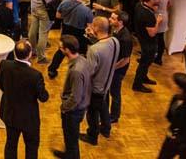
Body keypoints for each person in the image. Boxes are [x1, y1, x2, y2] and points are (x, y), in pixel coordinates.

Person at [0, 39, 49, 159]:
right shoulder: (35, 75)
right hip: (29, 118)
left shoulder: (4, 65)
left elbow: (0, 83)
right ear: (30, 54)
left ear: (15, 52)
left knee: (11, 144)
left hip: (10, 113)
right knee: (31, 147)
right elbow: (43, 97)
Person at [52, 35, 91, 159]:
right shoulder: (82, 60)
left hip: (73, 111)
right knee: (70, 137)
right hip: (78, 108)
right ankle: (68, 154)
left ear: (67, 50)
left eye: (61, 48)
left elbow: (75, 97)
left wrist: (64, 107)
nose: (60, 50)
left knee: (71, 138)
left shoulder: (76, 71)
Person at [82, 16, 119, 145]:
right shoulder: (115, 41)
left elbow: (90, 71)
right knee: (103, 106)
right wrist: (93, 37)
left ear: (96, 28)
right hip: (106, 84)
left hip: (95, 87)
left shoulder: (94, 50)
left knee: (92, 114)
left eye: (93, 26)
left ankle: (92, 136)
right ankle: (106, 128)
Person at [47, 0, 93, 79]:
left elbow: (58, 16)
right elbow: (89, 27)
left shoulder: (64, 3)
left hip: (66, 30)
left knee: (61, 51)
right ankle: (80, 72)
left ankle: (52, 70)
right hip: (79, 34)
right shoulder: (86, 10)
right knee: (82, 53)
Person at [132, 0, 163, 93]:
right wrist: (158, 22)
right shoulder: (148, 15)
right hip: (148, 42)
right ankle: (137, 84)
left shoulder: (140, 5)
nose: (159, 1)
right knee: (145, 62)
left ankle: (144, 77)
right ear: (150, 0)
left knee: (147, 62)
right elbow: (152, 33)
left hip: (141, 37)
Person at [107, 11, 132, 124]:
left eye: (113, 18)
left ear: (120, 22)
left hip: (118, 70)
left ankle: (114, 115)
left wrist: (112, 68)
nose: (110, 19)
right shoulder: (115, 30)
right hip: (113, 66)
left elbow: (125, 60)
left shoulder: (125, 39)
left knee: (115, 92)